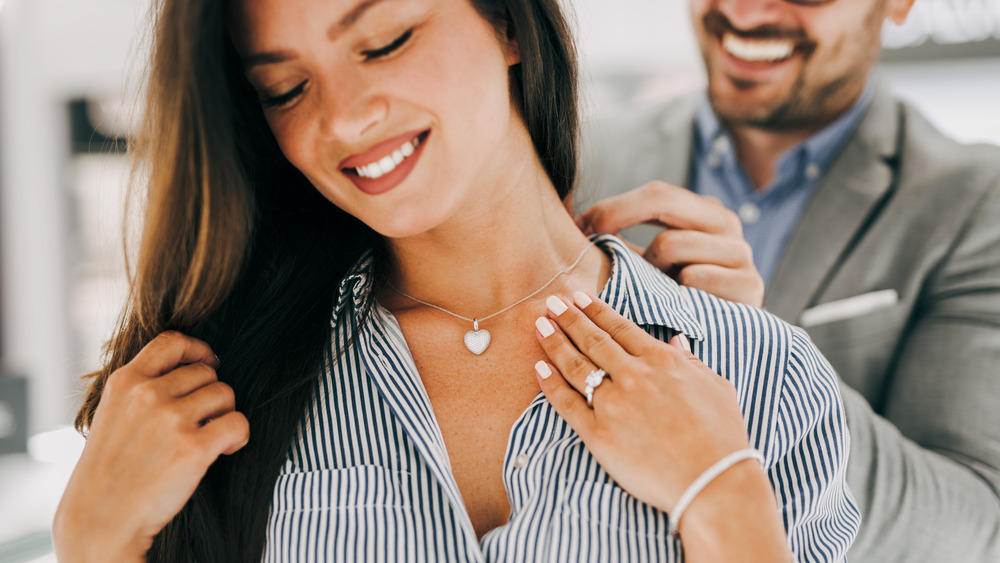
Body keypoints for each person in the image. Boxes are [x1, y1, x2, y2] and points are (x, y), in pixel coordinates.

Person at [52, 0, 859, 561]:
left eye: (384, 41)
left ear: (505, 20)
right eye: (286, 89)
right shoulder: (215, 393)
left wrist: (723, 499)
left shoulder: (759, 374)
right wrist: (93, 546)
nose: (342, 118)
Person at [576, 0, 1000, 561]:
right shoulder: (578, 156)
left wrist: (753, 349)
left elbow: (971, 525)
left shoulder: (975, 202)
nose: (746, 13)